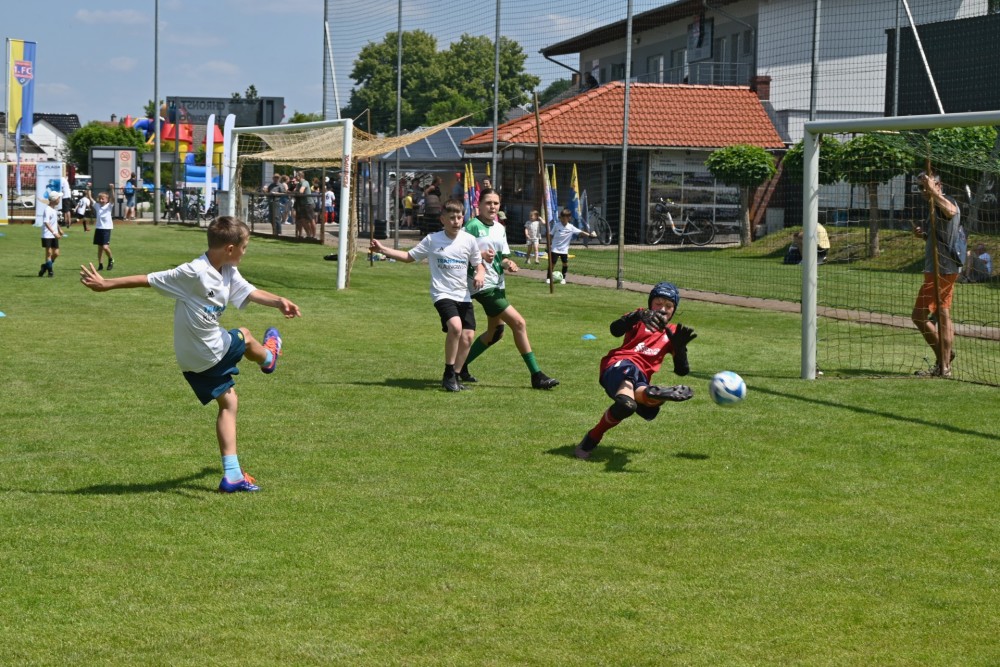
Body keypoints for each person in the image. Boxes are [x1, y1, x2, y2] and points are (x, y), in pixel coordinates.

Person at [79, 216, 302, 493]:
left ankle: (232, 475)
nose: (245, 252)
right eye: (244, 247)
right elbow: (148, 279)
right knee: (244, 335)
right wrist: (107, 284)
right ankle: (269, 358)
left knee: (229, 402)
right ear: (230, 248)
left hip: (191, 361)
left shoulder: (228, 271)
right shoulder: (194, 272)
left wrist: (279, 301)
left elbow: (250, 292)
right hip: (210, 350)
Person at [370, 199, 486, 392]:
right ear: (443, 219)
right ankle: (449, 373)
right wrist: (383, 249)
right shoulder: (432, 240)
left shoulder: (469, 240)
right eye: (452, 218)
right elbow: (408, 257)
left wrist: (480, 274)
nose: (456, 221)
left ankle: (455, 376)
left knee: (468, 336)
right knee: (455, 327)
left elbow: (478, 264)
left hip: (463, 295)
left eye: (459, 217)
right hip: (442, 293)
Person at [575, 282, 696, 460]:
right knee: (630, 372)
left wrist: (680, 350)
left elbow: (682, 371)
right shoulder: (641, 316)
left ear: (674, 310)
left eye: (669, 306)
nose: (663, 309)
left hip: (640, 377)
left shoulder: (673, 332)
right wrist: (636, 316)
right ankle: (653, 395)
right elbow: (615, 330)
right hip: (618, 364)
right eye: (658, 303)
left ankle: (593, 438)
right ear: (650, 303)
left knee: (627, 406)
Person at [461, 188, 559, 389]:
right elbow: (460, 253)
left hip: (498, 283)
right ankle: (537, 375)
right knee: (519, 323)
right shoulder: (471, 226)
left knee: (495, 333)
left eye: (496, 203)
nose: (492, 207)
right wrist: (479, 258)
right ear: (479, 205)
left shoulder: (499, 228)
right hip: (482, 286)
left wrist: (509, 263)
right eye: (488, 203)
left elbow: (501, 258)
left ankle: (459, 367)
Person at [911, 171, 962, 378]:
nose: (923, 190)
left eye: (927, 185)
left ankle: (944, 358)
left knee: (919, 316)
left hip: (940, 270)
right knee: (943, 314)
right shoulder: (934, 204)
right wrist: (924, 235)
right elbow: (942, 237)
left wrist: (933, 192)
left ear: (939, 185)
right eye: (920, 187)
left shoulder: (945, 201)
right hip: (945, 269)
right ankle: (944, 367)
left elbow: (950, 211)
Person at [548, 207, 596, 282]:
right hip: (555, 248)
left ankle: (563, 279)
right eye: (561, 218)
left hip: (564, 250)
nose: (562, 220)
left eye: (564, 218)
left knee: (565, 264)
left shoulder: (571, 227)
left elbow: (581, 232)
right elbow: (550, 235)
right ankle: (548, 278)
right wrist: (548, 244)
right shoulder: (557, 225)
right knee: (552, 264)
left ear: (568, 218)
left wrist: (590, 235)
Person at [38, 193, 64, 277]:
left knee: (56, 253)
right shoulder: (47, 209)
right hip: (47, 234)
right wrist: (54, 232)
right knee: (49, 252)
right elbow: (46, 222)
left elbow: (54, 221)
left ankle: (44, 267)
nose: (59, 200)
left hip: (54, 234)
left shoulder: (54, 209)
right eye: (58, 198)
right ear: (54, 199)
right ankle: (50, 271)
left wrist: (59, 229)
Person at [92, 187, 115, 271]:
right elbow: (90, 198)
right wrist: (88, 188)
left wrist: (112, 189)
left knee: (105, 247)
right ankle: (100, 264)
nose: (101, 200)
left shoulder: (109, 206)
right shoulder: (97, 206)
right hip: (98, 229)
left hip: (106, 229)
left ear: (107, 200)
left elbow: (113, 198)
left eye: (103, 199)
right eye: (100, 199)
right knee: (100, 249)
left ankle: (111, 259)